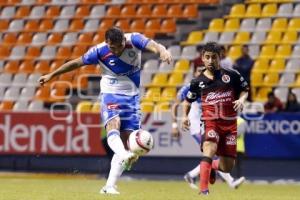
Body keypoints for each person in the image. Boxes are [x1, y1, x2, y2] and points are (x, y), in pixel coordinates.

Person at [38, 26, 172, 195]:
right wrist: (52, 75)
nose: (115, 51)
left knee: (129, 144)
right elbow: (76, 63)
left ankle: (109, 186)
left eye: (119, 46)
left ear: (124, 40)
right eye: (112, 47)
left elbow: (153, 45)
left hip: (132, 99)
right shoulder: (100, 51)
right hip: (111, 94)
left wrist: (162, 51)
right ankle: (123, 156)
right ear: (107, 43)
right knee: (113, 126)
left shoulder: (134, 39)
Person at [182, 42, 249, 195]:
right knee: (209, 148)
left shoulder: (231, 75)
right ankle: (203, 190)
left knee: (227, 166)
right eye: (207, 57)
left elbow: (245, 90)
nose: (210, 61)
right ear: (203, 59)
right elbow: (187, 101)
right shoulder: (197, 81)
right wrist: (184, 117)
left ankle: (211, 166)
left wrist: (241, 100)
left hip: (230, 125)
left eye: (214, 57)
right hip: (210, 121)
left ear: (220, 57)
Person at [171, 66, 245, 190]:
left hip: (210, 124)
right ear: (194, 73)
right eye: (198, 70)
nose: (201, 72)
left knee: (214, 153)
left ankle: (191, 175)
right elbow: (175, 105)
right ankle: (230, 181)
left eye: (203, 70)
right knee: (212, 152)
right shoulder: (191, 86)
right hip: (196, 126)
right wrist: (174, 125)